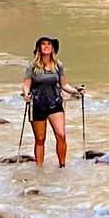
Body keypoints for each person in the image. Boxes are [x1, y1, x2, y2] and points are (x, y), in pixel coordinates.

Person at [22, 35, 76, 167]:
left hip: (55, 104)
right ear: (39, 48)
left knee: (61, 135)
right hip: (37, 104)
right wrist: (26, 94)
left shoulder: (58, 65)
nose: (46, 46)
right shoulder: (32, 66)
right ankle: (39, 168)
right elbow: (26, 85)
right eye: (43, 44)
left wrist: (76, 91)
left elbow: (64, 85)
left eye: (49, 44)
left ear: (52, 49)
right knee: (40, 140)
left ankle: (62, 165)